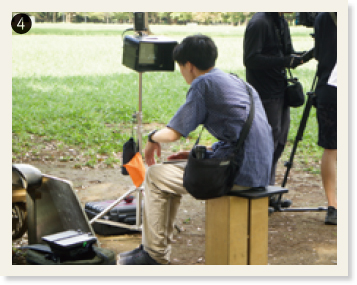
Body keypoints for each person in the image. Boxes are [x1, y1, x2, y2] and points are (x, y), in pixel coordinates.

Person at [118, 34, 274, 265]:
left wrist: (151, 137)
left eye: (181, 67)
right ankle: (154, 249)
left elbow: (172, 133)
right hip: (260, 169)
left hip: (237, 174)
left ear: (189, 65)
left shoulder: (203, 83)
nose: (182, 72)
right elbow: (245, 134)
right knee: (169, 172)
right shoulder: (238, 82)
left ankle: (153, 254)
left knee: (155, 175)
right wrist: (209, 152)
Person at [243, 12, 312, 208]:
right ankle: (261, 196)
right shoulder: (259, 22)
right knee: (267, 144)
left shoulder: (280, 21)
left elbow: (286, 52)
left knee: (280, 141)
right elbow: (251, 59)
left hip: (280, 90)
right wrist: (284, 61)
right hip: (264, 92)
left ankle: (268, 193)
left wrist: (305, 55)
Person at [314, 12, 337, 225]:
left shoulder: (323, 17)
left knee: (331, 148)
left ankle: (333, 206)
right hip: (332, 89)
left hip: (329, 88)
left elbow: (320, 54)